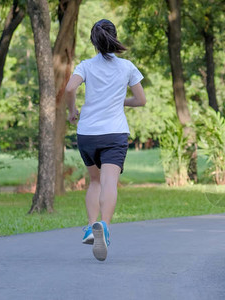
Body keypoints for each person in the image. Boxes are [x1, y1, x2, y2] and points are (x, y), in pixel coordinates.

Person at [65, 19, 146, 261]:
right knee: (110, 182)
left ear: (94, 42)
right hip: (114, 133)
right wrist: (119, 100)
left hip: (87, 133)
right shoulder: (127, 67)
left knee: (94, 181)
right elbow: (141, 100)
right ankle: (105, 227)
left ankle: (91, 226)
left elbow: (70, 89)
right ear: (114, 38)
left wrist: (72, 111)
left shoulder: (86, 66)